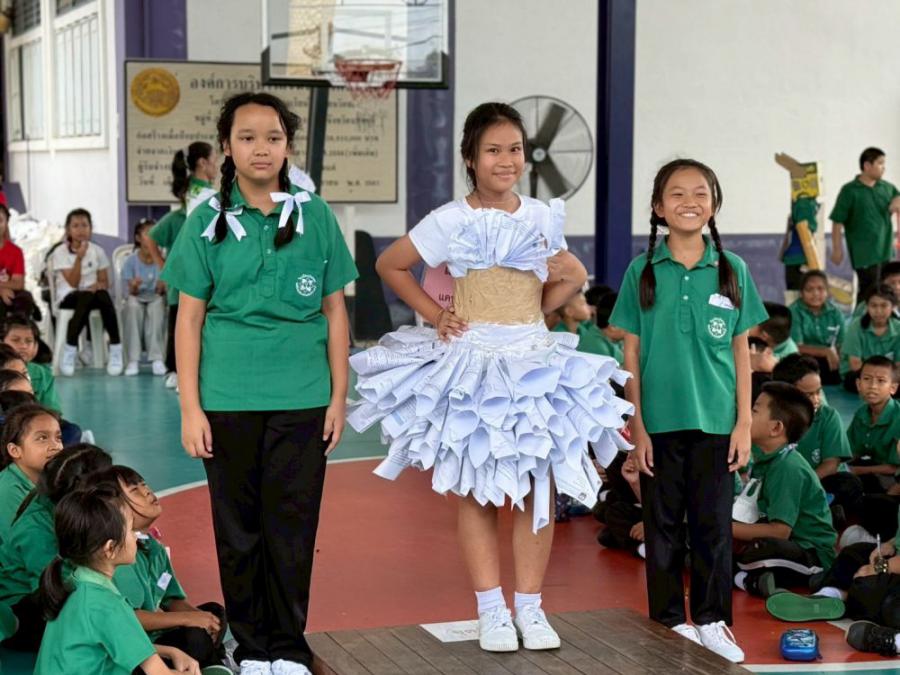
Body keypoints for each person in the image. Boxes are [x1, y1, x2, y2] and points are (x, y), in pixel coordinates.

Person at [349, 102, 630, 655]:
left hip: (533, 362)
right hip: (472, 364)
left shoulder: (539, 216)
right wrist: (435, 315)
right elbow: (390, 265)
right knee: (477, 489)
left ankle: (531, 606)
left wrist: (535, 312)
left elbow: (571, 272)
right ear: (470, 159)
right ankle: (491, 609)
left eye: (515, 150)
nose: (507, 160)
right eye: (493, 150)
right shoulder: (450, 219)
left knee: (537, 486)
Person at [161, 92, 357, 675]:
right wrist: (190, 408)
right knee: (238, 531)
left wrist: (338, 397)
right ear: (227, 147)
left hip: (303, 398)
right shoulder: (205, 221)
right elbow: (188, 320)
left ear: (288, 146)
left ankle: (289, 648)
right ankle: (251, 648)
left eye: (273, 137)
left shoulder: (315, 216)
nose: (261, 148)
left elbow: (336, 313)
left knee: (292, 528)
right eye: (247, 137)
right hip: (227, 400)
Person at [610, 158, 768, 663]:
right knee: (662, 531)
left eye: (700, 193)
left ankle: (713, 620)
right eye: (676, 194)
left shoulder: (731, 268)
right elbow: (630, 352)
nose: (689, 202)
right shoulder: (642, 270)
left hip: (717, 423)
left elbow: (741, 351)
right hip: (658, 425)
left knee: (712, 528)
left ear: (714, 205)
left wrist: (743, 423)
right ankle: (669, 623)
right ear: (658, 207)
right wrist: (637, 424)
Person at [34, 484, 200, 674]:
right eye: (131, 530)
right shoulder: (108, 605)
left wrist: (170, 651)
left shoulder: (75, 582)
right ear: (110, 548)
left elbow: (121, 642)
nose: (136, 538)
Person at [92, 465, 229, 672]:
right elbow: (130, 618)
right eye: (135, 490)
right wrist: (188, 619)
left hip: (157, 636)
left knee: (214, 612)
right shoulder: (121, 557)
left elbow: (171, 599)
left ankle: (214, 661)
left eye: (144, 484)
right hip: (136, 648)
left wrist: (204, 619)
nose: (147, 491)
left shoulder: (152, 546)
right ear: (115, 508)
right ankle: (210, 663)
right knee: (195, 636)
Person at [0, 443, 111, 651]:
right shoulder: (36, 530)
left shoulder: (60, 503)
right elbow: (52, 593)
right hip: (25, 613)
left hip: (58, 596)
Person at [732, 382, 836, 598]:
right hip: (785, 541)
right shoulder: (766, 459)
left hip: (810, 553)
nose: (747, 416)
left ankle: (742, 577)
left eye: (754, 411)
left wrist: (723, 528)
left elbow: (780, 532)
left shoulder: (787, 467)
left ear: (776, 428)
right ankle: (747, 578)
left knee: (759, 548)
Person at [146, 142, 218, 390]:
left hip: (187, 275)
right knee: (188, 324)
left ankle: (179, 372)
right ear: (202, 163)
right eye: (214, 160)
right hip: (194, 275)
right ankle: (180, 372)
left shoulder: (197, 192)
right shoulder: (204, 195)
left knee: (182, 323)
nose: (217, 165)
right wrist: (163, 265)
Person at [771, 354, 862, 517]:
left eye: (818, 392)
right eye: (808, 394)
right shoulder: (772, 419)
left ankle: (811, 511)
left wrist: (800, 485)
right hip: (782, 484)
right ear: (786, 394)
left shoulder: (827, 416)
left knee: (848, 484)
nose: (816, 400)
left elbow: (831, 465)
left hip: (818, 481)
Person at [50, 208, 123, 376]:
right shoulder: (60, 252)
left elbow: (104, 281)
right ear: (68, 229)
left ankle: (115, 350)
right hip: (68, 296)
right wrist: (79, 258)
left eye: (84, 225)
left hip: (92, 295)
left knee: (102, 294)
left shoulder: (97, 251)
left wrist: (98, 285)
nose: (81, 230)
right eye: (75, 226)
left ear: (91, 228)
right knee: (87, 296)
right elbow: (73, 283)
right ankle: (70, 349)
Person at [830, 147, 900, 304]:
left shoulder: (887, 188)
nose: (884, 168)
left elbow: (897, 198)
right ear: (867, 166)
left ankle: (887, 318)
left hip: (886, 251)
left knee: (886, 291)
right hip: (864, 254)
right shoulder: (849, 191)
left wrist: (897, 202)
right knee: (870, 290)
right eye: (880, 163)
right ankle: (860, 318)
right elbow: (837, 221)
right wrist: (837, 249)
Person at [0, 403, 62, 542]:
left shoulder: (49, 480)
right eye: (42, 438)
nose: (56, 446)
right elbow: (31, 544)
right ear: (15, 450)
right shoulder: (8, 491)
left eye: (58, 438)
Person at [846, 356, 900, 494]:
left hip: (895, 476)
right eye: (867, 379)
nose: (872, 386)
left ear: (893, 388)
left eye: (881, 381)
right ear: (858, 384)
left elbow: (895, 467)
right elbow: (851, 452)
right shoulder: (861, 413)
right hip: (875, 466)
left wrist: (857, 470)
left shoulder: (898, 418)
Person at [122, 218, 167, 376]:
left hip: (155, 297)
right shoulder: (130, 261)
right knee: (132, 306)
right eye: (148, 233)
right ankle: (133, 360)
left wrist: (162, 286)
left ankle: (157, 358)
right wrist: (134, 286)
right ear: (138, 238)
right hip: (137, 297)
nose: (152, 237)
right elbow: (129, 291)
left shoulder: (162, 260)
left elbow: (165, 288)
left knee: (157, 306)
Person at [840, 285, 900, 391]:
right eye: (873, 306)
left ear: (893, 307)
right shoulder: (856, 326)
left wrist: (884, 379)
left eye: (884, 306)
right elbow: (855, 364)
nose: (878, 311)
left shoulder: (898, 328)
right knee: (855, 381)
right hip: (861, 374)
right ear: (867, 306)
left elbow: (898, 365)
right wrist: (878, 380)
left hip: (888, 377)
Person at [790, 270, 845, 384]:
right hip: (802, 361)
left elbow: (841, 345)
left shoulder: (836, 313)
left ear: (827, 292)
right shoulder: (794, 311)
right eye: (809, 289)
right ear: (801, 293)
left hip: (829, 360)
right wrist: (825, 351)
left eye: (820, 289)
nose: (815, 294)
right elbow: (796, 347)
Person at [0, 315, 60, 412]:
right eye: (15, 340)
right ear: (1, 342)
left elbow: (53, 411)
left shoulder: (42, 374)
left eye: (29, 341)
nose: (23, 346)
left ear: (36, 345)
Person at [0, 204, 36, 319]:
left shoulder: (16, 251)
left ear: (6, 223)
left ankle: (19, 327)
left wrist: (3, 288)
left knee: (25, 298)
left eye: (0, 221)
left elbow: (18, 283)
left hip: (10, 292)